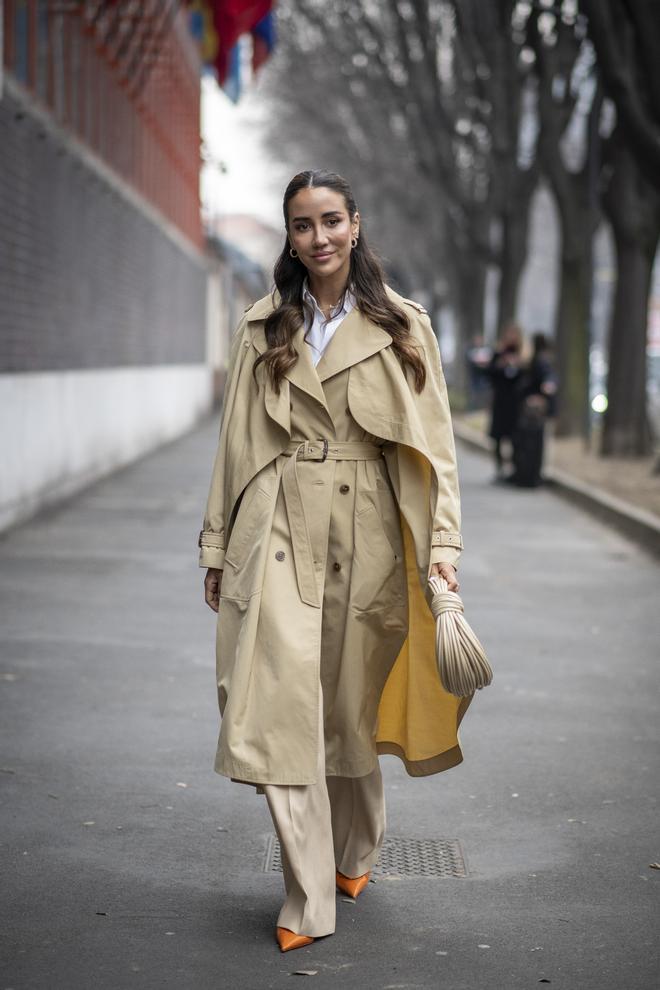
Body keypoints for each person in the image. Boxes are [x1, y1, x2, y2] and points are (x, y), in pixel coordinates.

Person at [198, 170, 470, 953]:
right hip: (276, 519)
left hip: (370, 529)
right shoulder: (262, 327)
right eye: (302, 225)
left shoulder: (403, 327)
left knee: (348, 707)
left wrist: (443, 550)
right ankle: (308, 893)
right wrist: (217, 544)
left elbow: (438, 452)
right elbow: (234, 444)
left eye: (330, 220)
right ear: (290, 238)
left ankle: (355, 852)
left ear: (356, 224)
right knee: (280, 705)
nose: (318, 237)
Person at [510, 332, 557, 488]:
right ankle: (530, 476)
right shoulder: (540, 360)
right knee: (533, 445)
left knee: (531, 445)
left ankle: (528, 476)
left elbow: (547, 381)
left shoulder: (538, 361)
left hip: (531, 413)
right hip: (533, 413)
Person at [486, 323, 524, 479]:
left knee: (515, 435)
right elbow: (489, 373)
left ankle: (514, 467)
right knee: (498, 436)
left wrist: (516, 365)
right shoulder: (499, 353)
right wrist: (501, 365)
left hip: (515, 402)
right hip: (500, 400)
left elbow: (524, 377)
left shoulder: (522, 355)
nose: (511, 338)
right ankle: (500, 467)